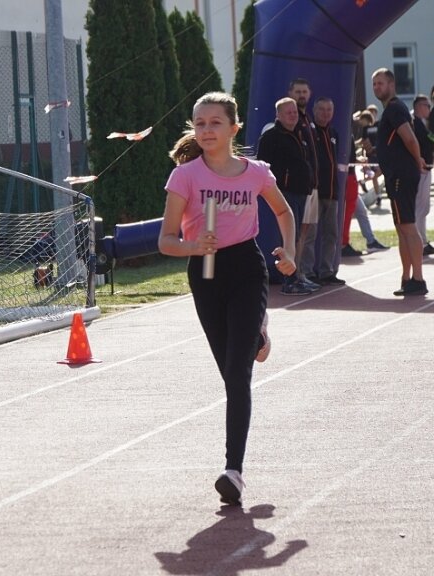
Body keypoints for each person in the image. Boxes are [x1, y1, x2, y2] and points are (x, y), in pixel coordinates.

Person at [159, 91, 296, 506]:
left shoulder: (255, 173)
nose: (206, 130)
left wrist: (288, 252)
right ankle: (257, 338)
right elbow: (166, 241)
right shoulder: (185, 177)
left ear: (233, 128)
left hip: (246, 269)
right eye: (199, 124)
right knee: (228, 370)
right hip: (204, 273)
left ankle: (233, 470)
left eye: (214, 123)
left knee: (238, 378)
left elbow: (284, 212)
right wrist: (194, 245)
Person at [372, 67, 428, 296]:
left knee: (407, 226)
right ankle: (407, 278)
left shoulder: (394, 108)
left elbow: (410, 138)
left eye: (381, 83)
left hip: (401, 176)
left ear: (392, 85)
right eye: (374, 84)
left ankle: (418, 278)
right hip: (396, 174)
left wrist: (418, 160)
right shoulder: (392, 110)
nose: (377, 87)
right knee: (401, 228)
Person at [256, 97, 315, 296]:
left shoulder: (301, 133)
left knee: (296, 235)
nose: (293, 115)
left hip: (301, 191)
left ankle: (296, 276)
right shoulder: (271, 136)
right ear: (278, 115)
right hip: (284, 193)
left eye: (295, 112)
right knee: (287, 235)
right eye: (288, 112)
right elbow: (263, 166)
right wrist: (279, 185)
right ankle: (288, 281)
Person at [300, 96, 344, 285]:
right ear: (314, 111)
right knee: (310, 233)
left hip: (332, 192)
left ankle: (327, 271)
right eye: (322, 110)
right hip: (314, 191)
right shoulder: (308, 132)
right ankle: (307, 272)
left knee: (331, 233)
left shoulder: (333, 132)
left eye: (329, 110)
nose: (326, 114)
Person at [288, 78, 321, 290]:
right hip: (297, 187)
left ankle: (302, 273)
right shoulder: (291, 119)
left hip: (312, 185)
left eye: (304, 92)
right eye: (298, 91)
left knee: (306, 232)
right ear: (290, 93)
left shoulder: (308, 118)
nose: (301, 95)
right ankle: (294, 275)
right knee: (296, 232)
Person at [412, 94, 434, 257]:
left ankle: (423, 241)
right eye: (427, 105)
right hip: (420, 170)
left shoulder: (421, 123)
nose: (429, 109)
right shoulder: (414, 123)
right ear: (419, 106)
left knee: (424, 208)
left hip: (425, 169)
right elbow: (429, 139)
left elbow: (431, 139)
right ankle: (420, 243)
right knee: (420, 208)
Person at [344, 143, 389, 256]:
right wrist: (359, 161)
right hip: (345, 179)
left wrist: (360, 161)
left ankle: (370, 241)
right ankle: (343, 244)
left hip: (350, 177)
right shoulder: (345, 132)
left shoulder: (349, 133)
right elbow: (346, 157)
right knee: (348, 213)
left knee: (361, 211)